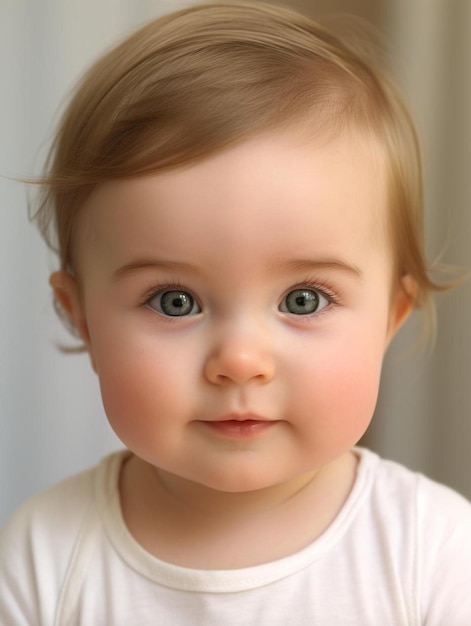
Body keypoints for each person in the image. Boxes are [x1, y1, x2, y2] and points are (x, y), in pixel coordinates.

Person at [1, 2, 470, 624]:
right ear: (80, 314)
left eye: (303, 300)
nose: (240, 361)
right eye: (176, 301)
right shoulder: (45, 556)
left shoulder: (433, 552)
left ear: (391, 314)